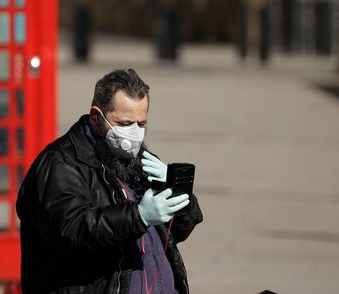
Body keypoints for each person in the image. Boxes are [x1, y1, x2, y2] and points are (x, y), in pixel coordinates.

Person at [16, 68, 203, 294]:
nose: (134, 133)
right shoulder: (61, 163)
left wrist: (176, 191)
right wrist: (139, 216)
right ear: (97, 116)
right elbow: (69, 230)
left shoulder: (141, 159)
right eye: (124, 123)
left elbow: (178, 232)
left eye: (141, 124)